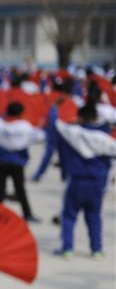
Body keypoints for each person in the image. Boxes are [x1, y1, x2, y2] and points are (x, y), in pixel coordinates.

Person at [50, 102, 116, 258]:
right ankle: (96, 249)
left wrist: (55, 107)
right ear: (96, 118)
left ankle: (67, 248)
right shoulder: (104, 139)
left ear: (79, 117)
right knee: (94, 216)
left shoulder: (72, 132)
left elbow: (55, 123)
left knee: (68, 216)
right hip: (96, 183)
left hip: (77, 180)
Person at [0, 101, 45, 222]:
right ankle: (27, 214)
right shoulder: (25, 126)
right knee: (20, 190)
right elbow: (39, 137)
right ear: (21, 113)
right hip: (17, 163)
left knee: (0, 190)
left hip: (1, 162)